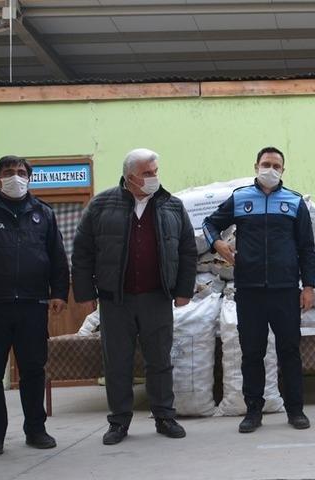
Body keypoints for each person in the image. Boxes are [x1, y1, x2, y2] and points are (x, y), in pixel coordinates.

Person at [72, 148, 196, 445]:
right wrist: (86, 294)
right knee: (117, 362)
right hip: (116, 300)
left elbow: (187, 250)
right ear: (130, 177)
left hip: (157, 297)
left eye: (156, 171)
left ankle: (164, 416)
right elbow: (82, 252)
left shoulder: (171, 206)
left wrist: (183, 290)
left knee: (160, 360)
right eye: (148, 173)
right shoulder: (101, 205)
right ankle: (118, 422)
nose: (154, 177)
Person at [202, 146, 315, 432]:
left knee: (289, 351)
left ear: (283, 171)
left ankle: (295, 410)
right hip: (249, 290)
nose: (271, 170)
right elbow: (209, 224)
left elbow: (306, 248)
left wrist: (309, 286)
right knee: (252, 353)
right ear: (256, 166)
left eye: (276, 166)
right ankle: (253, 411)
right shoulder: (241, 198)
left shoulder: (294, 202)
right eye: (266, 164)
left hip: (285, 290)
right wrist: (218, 243)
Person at [0, 156, 68, 457]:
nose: (15, 177)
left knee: (32, 370)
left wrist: (58, 293)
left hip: (32, 305)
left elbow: (57, 256)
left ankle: (36, 430)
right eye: (8, 172)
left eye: (20, 172)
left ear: (29, 178)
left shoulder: (43, 212)